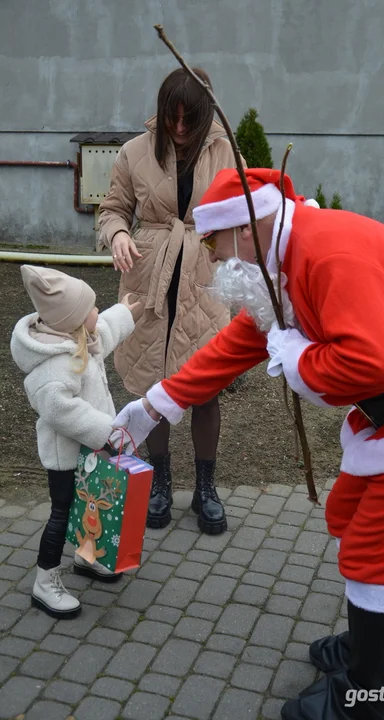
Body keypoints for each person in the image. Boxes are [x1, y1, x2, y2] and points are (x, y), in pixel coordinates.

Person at [113, 167, 384, 720]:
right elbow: (243, 341)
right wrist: (151, 407)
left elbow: (373, 362)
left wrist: (295, 356)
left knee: (374, 554)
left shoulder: (326, 251)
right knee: (349, 516)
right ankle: (367, 644)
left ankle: (370, 694)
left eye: (212, 241)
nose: (210, 257)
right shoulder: (283, 258)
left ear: (247, 227)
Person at [98, 68, 243, 535]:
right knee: (151, 386)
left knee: (205, 388)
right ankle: (159, 480)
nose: (179, 129)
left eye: (190, 119)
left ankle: (206, 487)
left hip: (206, 280)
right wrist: (118, 233)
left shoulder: (226, 150)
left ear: (206, 114)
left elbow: (246, 215)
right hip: (149, 280)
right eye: (171, 118)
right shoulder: (134, 152)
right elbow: (113, 208)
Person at [10, 266, 147, 618]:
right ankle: (45, 581)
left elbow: (105, 330)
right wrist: (110, 434)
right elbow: (62, 411)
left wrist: (125, 312)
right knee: (62, 511)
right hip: (66, 457)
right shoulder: (54, 367)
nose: (97, 312)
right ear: (72, 320)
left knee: (92, 507)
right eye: (92, 307)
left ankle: (87, 558)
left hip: (90, 451)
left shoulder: (79, 337)